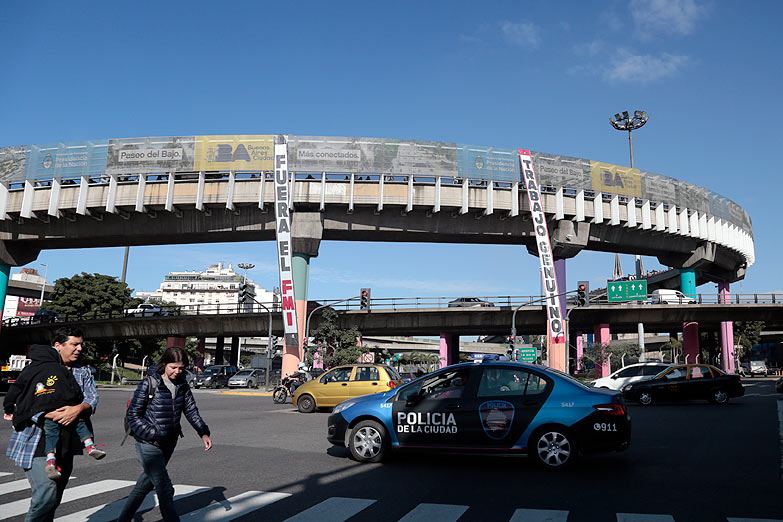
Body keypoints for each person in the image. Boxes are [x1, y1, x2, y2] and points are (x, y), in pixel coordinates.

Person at [4, 327, 98, 522]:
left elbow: (92, 397)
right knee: (46, 493)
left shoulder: (83, 371)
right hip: (36, 440)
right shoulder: (37, 370)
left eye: (81, 344)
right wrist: (50, 414)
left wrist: (79, 408)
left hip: (67, 442)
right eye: (74, 344)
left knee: (54, 499)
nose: (79, 348)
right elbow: (24, 402)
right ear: (58, 346)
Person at [118, 346, 212, 522]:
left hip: (169, 442)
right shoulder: (150, 383)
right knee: (165, 488)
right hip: (148, 444)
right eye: (173, 367)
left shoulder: (182, 384)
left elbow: (191, 411)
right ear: (164, 364)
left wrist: (203, 433)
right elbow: (133, 414)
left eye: (181, 368)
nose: (177, 371)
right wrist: (151, 433)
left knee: (143, 486)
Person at [4, 344, 105, 480]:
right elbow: (75, 388)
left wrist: (8, 408)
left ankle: (50, 459)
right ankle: (90, 446)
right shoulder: (61, 369)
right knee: (80, 424)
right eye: (75, 344)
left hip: (45, 412)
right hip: (65, 407)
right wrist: (76, 404)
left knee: (51, 434)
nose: (79, 348)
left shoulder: (29, 370)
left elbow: (14, 391)